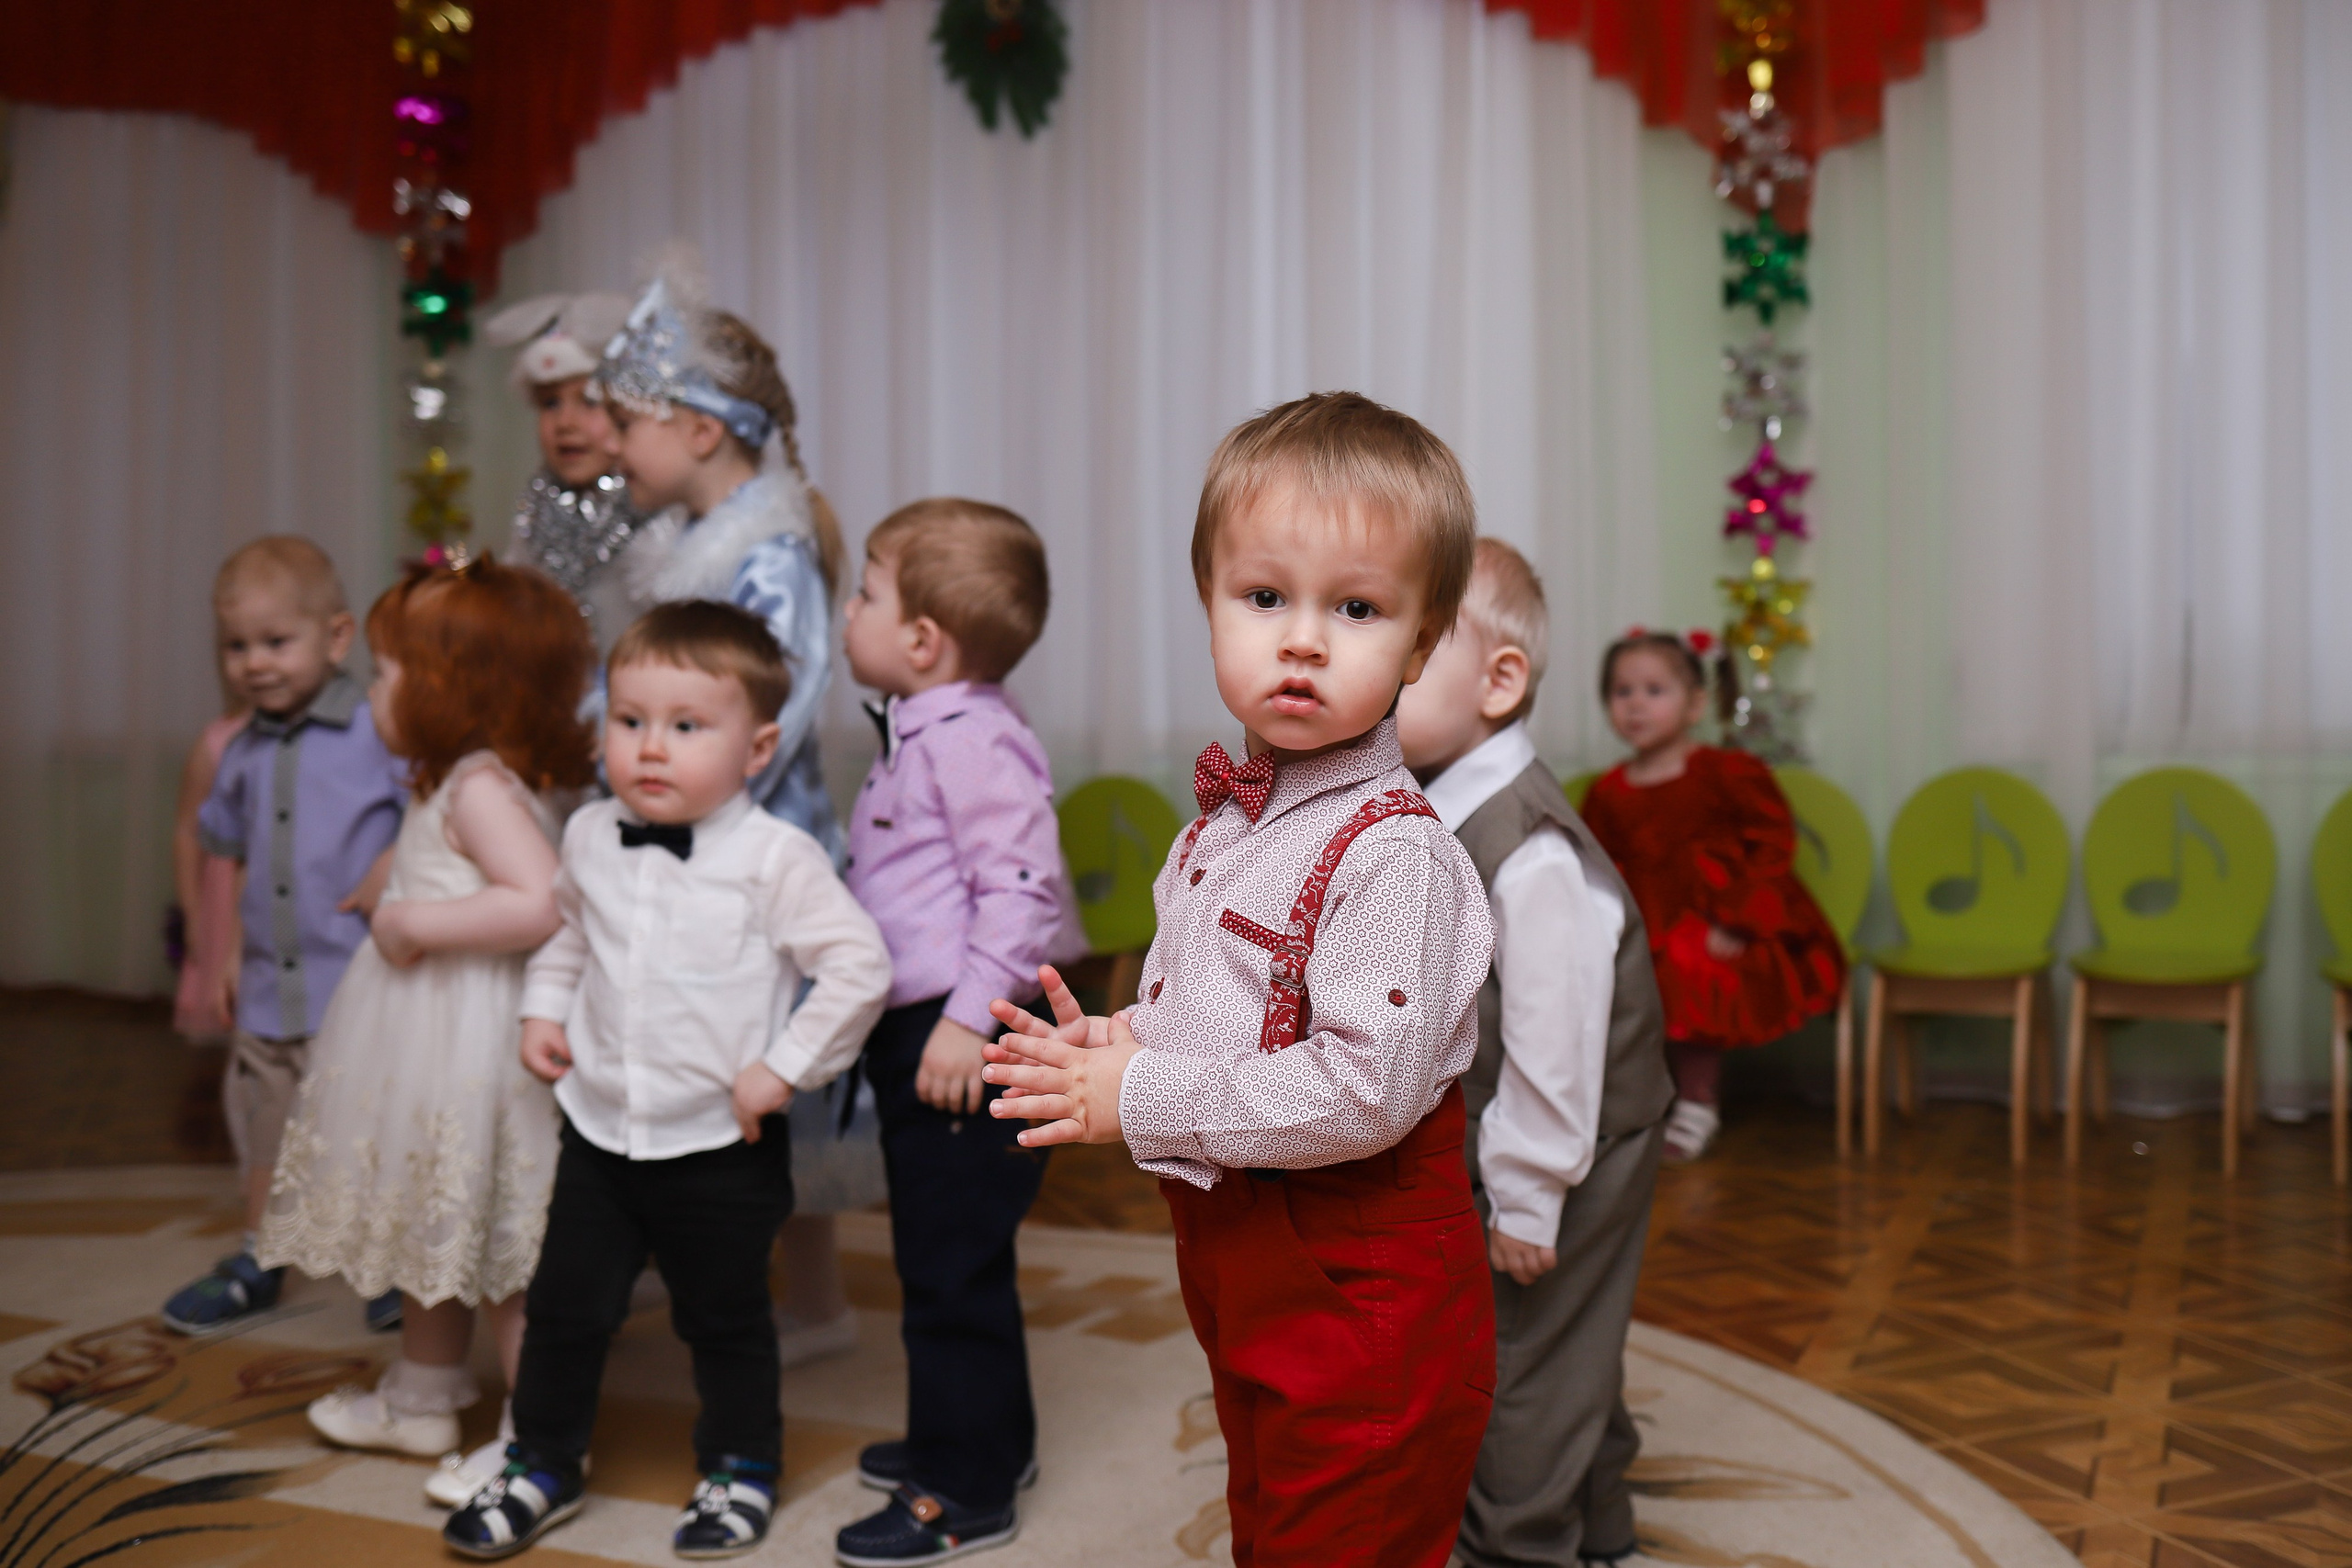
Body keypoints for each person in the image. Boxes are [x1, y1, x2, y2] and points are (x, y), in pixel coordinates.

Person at [986, 392, 1497, 1568]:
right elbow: (1226, 1012)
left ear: (1421, 647)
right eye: (1264, 598)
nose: (1303, 639)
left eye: (1357, 609)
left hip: (1360, 1283)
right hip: (1252, 1256)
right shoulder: (1227, 823)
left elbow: (1364, 1092)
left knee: (1348, 1532)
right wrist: (1115, 1044)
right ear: (1209, 603)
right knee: (1274, 1517)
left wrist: (1145, 1097)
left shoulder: (1392, 851)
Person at [443, 601, 891, 1562]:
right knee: (566, 1308)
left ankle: (740, 1467)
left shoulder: (777, 859)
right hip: (600, 1130)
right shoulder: (593, 837)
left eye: (687, 727)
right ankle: (544, 1460)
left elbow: (859, 968)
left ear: (757, 746)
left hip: (720, 1145)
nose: (651, 747)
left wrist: (783, 1068)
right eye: (630, 720)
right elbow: (569, 933)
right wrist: (542, 1010)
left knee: (723, 1318)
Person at [255, 554, 595, 1506]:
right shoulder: (456, 779)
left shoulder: (480, 787)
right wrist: (388, 878)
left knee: (498, 1243)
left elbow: (539, 902)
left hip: (472, 1042)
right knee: (430, 1215)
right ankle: (423, 1392)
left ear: (458, 690)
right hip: (423, 1037)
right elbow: (444, 856)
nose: (375, 692)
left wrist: (411, 923)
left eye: (391, 673)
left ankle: (542, 1439)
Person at [592, 259, 872, 1365]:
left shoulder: (772, 557)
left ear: (701, 430)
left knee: (770, 1069)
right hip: (691, 843)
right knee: (711, 1055)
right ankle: (725, 1263)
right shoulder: (688, 557)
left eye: (628, 424)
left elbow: (775, 703)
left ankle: (809, 1298)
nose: (612, 445)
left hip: (759, 855)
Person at [1395, 540, 1673, 1568]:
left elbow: (1559, 1049)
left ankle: (1520, 1546)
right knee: (1566, 1337)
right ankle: (1602, 1527)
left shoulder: (1534, 852)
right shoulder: (1436, 803)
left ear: (1499, 681)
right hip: (1517, 1123)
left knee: (1522, 1357)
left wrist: (1526, 1191)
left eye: (1409, 643)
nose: (1367, 662)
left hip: (1576, 1142)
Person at [830, 499, 1083, 1566]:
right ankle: (988, 1438)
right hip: (924, 1031)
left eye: (865, 592)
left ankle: (964, 1490)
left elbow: (1020, 892)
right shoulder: (929, 729)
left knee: (948, 1264)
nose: (850, 612)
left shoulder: (973, 740)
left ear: (923, 641)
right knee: (951, 1251)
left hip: (961, 1035)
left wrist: (962, 1027)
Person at [164, 537, 406, 1337]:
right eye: (237, 646)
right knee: (266, 1126)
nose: (255, 663)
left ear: (337, 638)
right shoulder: (238, 750)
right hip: (270, 983)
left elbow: (434, 811)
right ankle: (261, 1253)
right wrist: (225, 953)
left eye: (276, 641)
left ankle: (389, 1262)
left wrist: (390, 866)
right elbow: (227, 856)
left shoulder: (377, 729)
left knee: (371, 1124)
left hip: (359, 981)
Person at [1578, 629, 1845, 1164]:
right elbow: (1594, 870)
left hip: (1726, 918)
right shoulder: (1607, 792)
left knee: (1688, 963)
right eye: (1621, 692)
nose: (1635, 705)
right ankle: (1632, 1101)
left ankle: (1697, 1100)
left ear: (1695, 703)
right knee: (1614, 973)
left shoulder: (1728, 773)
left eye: (1654, 690)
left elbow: (1770, 848)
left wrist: (1737, 920)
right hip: (1643, 920)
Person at [482, 291, 647, 653]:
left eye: (589, 401)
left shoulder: (651, 505)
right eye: (550, 403)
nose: (565, 423)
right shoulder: (538, 504)